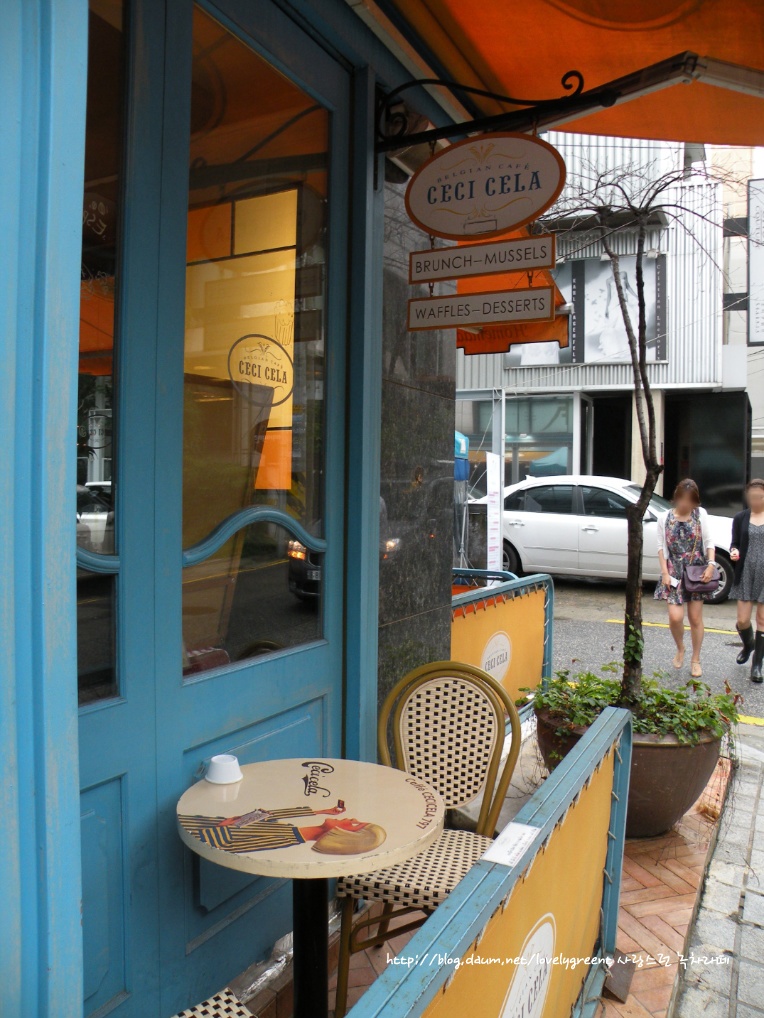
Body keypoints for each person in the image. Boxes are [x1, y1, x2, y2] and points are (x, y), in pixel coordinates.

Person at [654, 479, 717, 677]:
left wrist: (711, 565)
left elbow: (709, 542)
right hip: (673, 571)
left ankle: (695, 659)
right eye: (683, 499)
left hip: (696, 571)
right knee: (675, 617)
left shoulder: (700, 514)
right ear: (676, 497)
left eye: (690, 500)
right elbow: (661, 547)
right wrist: (665, 573)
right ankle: (680, 648)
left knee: (695, 618)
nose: (686, 504)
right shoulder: (664, 518)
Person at [179, 802, 386, 855]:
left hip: (202, 829)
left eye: (356, 824)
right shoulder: (291, 833)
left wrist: (224, 827)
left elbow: (230, 843)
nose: (353, 818)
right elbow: (268, 815)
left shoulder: (285, 837)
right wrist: (320, 811)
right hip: (200, 822)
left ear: (345, 835)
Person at [730, 479, 764, 682]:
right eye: (752, 496)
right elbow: (734, 543)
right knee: (742, 620)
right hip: (746, 571)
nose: (756, 500)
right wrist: (734, 551)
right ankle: (749, 645)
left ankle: (757, 665)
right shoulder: (740, 517)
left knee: (762, 620)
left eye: (759, 496)